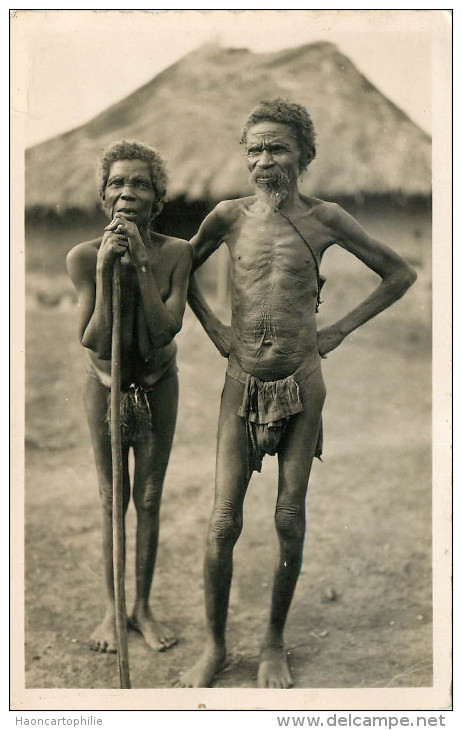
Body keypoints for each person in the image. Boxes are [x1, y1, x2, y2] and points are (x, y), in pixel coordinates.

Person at [179, 99, 417, 688]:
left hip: (302, 383)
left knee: (289, 515)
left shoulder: (326, 218)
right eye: (254, 149)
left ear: (303, 156)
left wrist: (337, 329)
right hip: (241, 382)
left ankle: (272, 644)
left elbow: (400, 274)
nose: (264, 160)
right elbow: (179, 268)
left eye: (278, 148)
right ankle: (213, 646)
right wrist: (213, 328)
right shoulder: (227, 217)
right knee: (222, 522)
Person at [67, 140, 192, 654]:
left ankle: (142, 607)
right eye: (117, 183)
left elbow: (164, 332)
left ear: (157, 196)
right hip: (105, 387)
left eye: (140, 183)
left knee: (149, 497)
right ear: (104, 196)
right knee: (111, 499)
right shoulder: (80, 257)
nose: (128, 193)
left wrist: (140, 263)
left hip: (157, 386)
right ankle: (111, 609)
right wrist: (104, 269)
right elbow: (94, 339)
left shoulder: (177, 254)